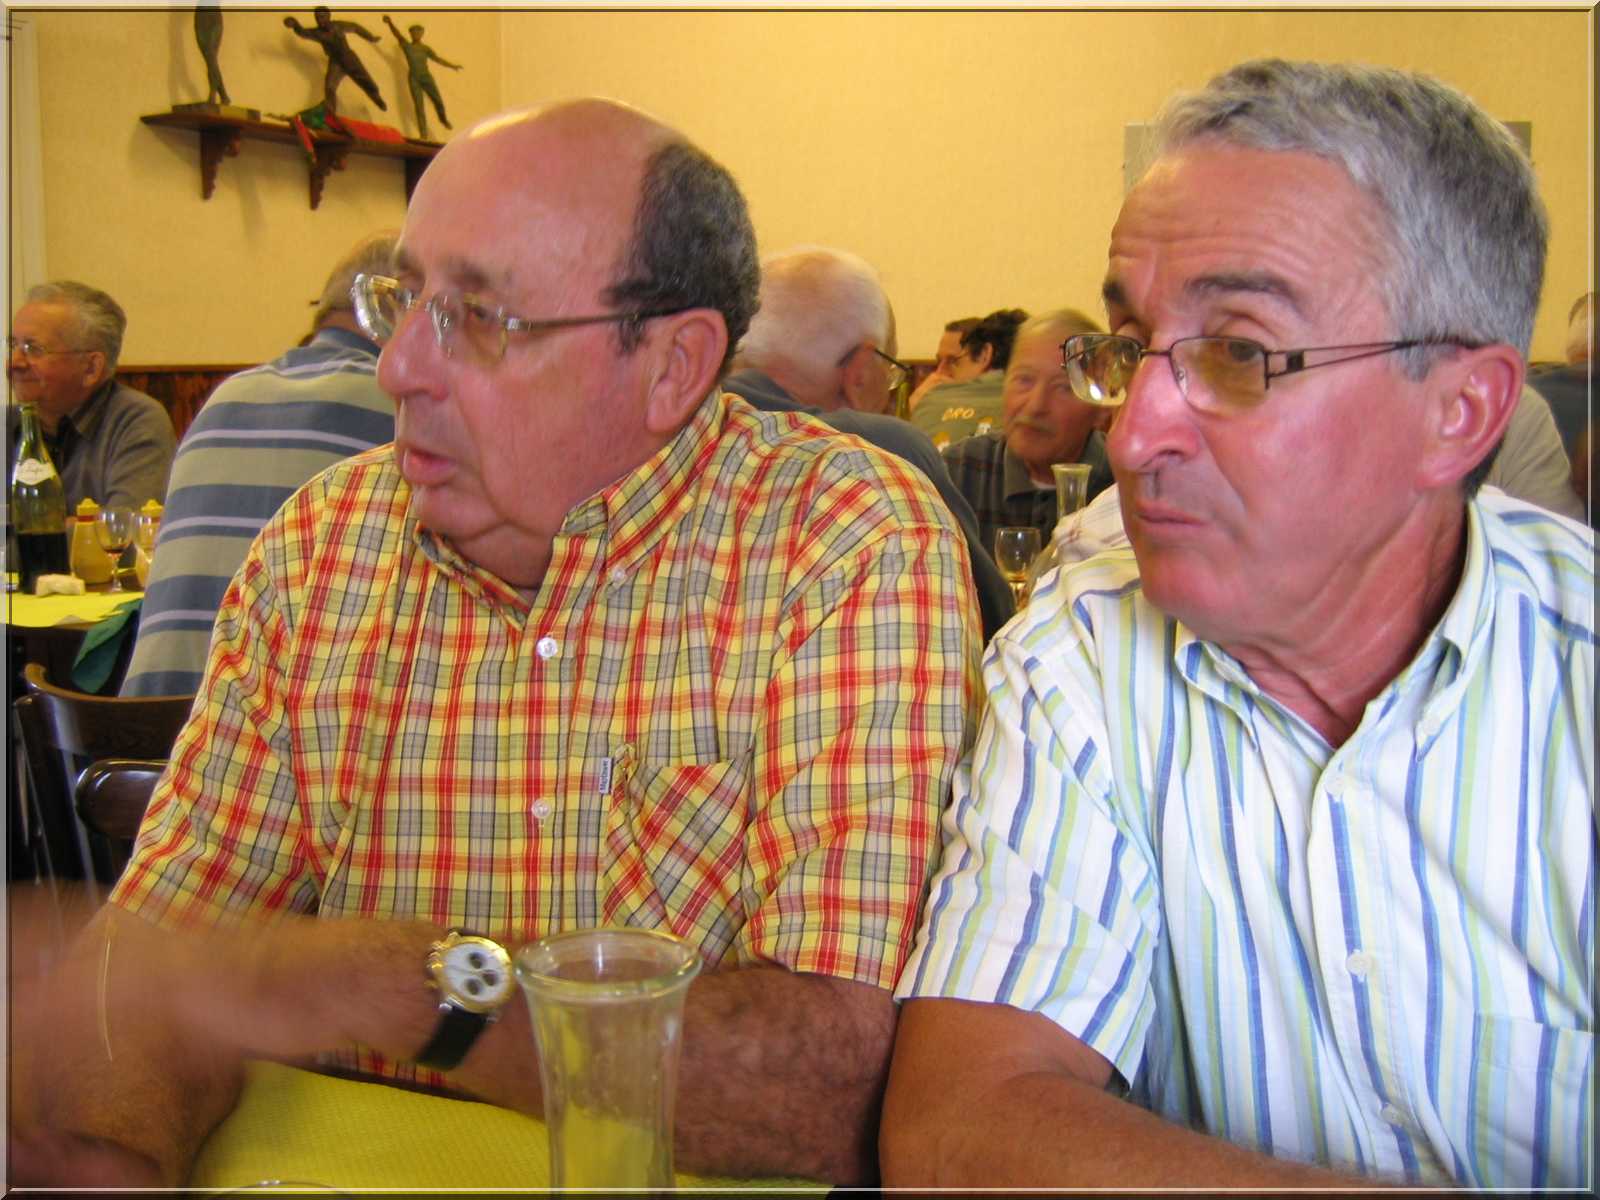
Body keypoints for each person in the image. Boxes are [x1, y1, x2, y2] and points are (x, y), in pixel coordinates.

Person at [8, 99, 979, 1190]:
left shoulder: (840, 540)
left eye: (476, 317)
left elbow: (832, 1089)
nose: (397, 369)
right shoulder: (325, 544)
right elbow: (148, 978)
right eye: (401, 301)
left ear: (673, 364)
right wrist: (110, 1162)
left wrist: (413, 987)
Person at [883, 59, 1592, 1191]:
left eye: (1238, 353)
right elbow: (959, 1127)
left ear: (1460, 412)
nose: (1132, 437)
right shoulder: (1084, 653)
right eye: (1128, 348)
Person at [119, 232, 399, 698]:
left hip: (134, 726)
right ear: (386, 304)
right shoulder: (393, 405)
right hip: (247, 727)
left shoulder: (226, 397)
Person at [725, 245, 1015, 639]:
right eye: (890, 370)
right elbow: (994, 620)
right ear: (860, 372)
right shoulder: (884, 447)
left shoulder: (672, 427)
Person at [939, 309, 1114, 555]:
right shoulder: (957, 473)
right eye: (1024, 380)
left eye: (1063, 387)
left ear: (1102, 408)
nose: (1035, 406)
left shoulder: (1122, 486)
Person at [7, 280, 175, 511]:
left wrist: (24, 524)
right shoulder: (7, 424)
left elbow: (124, 527)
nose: (14, 362)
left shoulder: (137, 421)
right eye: (13, 345)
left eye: (33, 349)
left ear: (91, 368)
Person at [908, 308, 1028, 449]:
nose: (939, 373)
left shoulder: (931, 401)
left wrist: (921, 410)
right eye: (938, 362)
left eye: (955, 362)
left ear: (984, 355)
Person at [284, 7, 387, 116]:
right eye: (317, 18)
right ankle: (330, 111)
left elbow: (355, 27)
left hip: (348, 57)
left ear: (329, 16)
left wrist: (370, 37)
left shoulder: (338, 26)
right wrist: (295, 24)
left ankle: (377, 98)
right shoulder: (317, 33)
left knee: (366, 81)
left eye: (322, 17)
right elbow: (303, 32)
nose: (320, 20)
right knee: (329, 86)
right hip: (335, 62)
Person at [382, 15, 461, 140]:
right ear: (410, 34)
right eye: (413, 32)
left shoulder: (425, 49)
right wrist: (390, 22)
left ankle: (443, 119)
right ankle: (423, 134)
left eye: (418, 32)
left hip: (426, 77)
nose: (416, 35)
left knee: (438, 100)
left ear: (422, 33)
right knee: (419, 107)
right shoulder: (407, 46)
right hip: (414, 78)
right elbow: (397, 34)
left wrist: (452, 66)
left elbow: (437, 59)